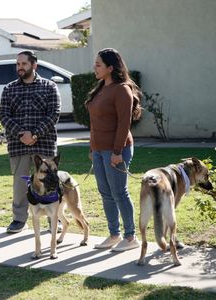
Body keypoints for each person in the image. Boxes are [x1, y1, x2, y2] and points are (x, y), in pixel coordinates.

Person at [86, 48, 142, 252]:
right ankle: (114, 234)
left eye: (98, 64)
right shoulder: (101, 88)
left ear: (110, 67)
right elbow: (95, 122)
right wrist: (92, 148)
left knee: (119, 192)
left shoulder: (121, 89)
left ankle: (130, 237)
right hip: (100, 150)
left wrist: (117, 152)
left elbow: (124, 124)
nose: (95, 67)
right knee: (106, 193)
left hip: (117, 150)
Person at [0, 50, 61, 233]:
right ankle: (19, 219)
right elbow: (3, 115)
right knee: (20, 183)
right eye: (18, 64)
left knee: (49, 181)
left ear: (34, 65)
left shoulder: (49, 87)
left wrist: (34, 134)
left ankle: (53, 220)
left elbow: (54, 114)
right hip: (18, 145)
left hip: (45, 143)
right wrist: (21, 134)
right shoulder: (9, 88)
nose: (20, 67)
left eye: (24, 64)